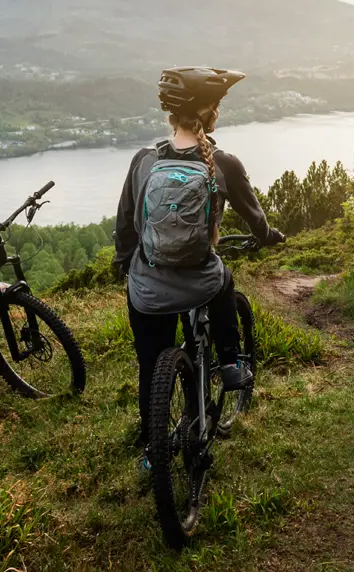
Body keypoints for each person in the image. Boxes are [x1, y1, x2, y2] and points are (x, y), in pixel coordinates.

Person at [113, 66, 285, 469]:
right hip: (200, 284)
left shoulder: (143, 162)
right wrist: (267, 236)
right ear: (208, 112)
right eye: (218, 106)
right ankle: (228, 362)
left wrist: (125, 266)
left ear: (171, 116)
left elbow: (125, 228)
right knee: (223, 279)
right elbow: (255, 219)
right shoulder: (222, 163)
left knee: (151, 365)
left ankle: (155, 450)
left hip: (148, 288)